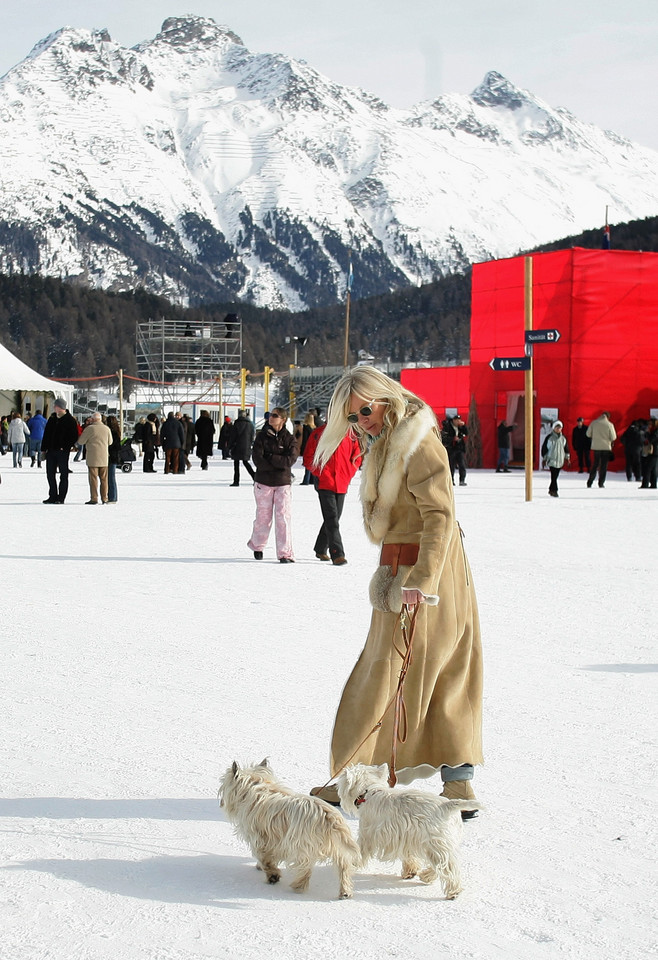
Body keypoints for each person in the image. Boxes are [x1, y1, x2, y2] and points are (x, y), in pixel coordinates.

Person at [310, 366, 483, 808]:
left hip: (428, 570)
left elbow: (439, 516)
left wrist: (424, 579)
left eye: (365, 410)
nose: (362, 420)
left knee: (430, 667)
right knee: (401, 667)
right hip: (403, 569)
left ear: (385, 398)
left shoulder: (417, 440)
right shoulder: (387, 441)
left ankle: (452, 782)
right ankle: (359, 775)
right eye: (353, 417)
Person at [303, 423, 362, 565]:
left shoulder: (350, 434)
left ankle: (320, 547)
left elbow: (357, 456)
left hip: (341, 482)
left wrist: (348, 473)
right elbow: (308, 457)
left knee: (334, 518)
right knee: (332, 519)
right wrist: (320, 473)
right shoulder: (318, 433)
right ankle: (337, 553)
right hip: (325, 482)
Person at [247, 407, 299, 562]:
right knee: (263, 517)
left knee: (283, 517)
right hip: (264, 482)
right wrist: (276, 462)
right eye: (270, 415)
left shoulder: (289, 439)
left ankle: (285, 553)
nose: (271, 417)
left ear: (282, 419)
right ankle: (257, 545)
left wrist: (272, 457)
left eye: (275, 416)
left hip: (283, 482)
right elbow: (258, 459)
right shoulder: (261, 437)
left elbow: (290, 460)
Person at [41, 398, 79, 504]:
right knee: (50, 474)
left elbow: (74, 436)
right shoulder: (52, 418)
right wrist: (44, 449)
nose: (54, 407)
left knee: (63, 474)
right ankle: (52, 495)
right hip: (51, 450)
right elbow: (47, 434)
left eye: (55, 405)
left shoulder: (70, 420)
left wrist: (66, 446)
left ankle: (61, 497)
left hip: (62, 451)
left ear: (60, 407)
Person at [77, 412, 113, 504]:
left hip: (92, 457)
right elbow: (110, 442)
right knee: (104, 479)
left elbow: (81, 441)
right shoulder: (106, 429)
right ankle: (105, 498)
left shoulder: (89, 429)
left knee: (93, 479)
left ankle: (94, 498)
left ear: (92, 420)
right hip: (104, 457)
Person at [586, 411, 617, 488]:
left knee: (595, 465)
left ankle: (590, 482)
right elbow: (613, 437)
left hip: (596, 447)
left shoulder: (594, 423)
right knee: (603, 466)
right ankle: (601, 483)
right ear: (608, 417)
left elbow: (588, 434)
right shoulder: (610, 425)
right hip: (606, 447)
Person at [541, 420, 570, 497]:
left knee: (555, 476)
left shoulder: (563, 438)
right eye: (557, 427)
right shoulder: (549, 438)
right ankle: (554, 491)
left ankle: (551, 489)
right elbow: (545, 448)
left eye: (560, 428)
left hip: (560, 460)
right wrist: (544, 458)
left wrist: (567, 458)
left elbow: (566, 448)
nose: (558, 429)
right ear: (553, 428)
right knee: (553, 476)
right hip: (552, 459)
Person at [229, 409, 256, 486]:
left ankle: (236, 481)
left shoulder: (236, 424)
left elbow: (233, 436)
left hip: (237, 446)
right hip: (246, 446)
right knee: (246, 462)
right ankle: (254, 477)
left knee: (236, 464)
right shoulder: (250, 425)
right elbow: (252, 436)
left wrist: (230, 446)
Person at [441, 414, 468, 486]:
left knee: (462, 464)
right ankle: (451, 480)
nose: (458, 421)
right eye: (456, 420)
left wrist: (463, 426)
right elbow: (444, 437)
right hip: (451, 448)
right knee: (451, 465)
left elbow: (466, 433)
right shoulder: (447, 427)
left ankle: (462, 480)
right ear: (453, 420)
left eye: (459, 420)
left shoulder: (460, 427)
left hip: (459, 448)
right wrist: (452, 438)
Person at [106, 415, 122, 502]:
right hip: (114, 456)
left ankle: (112, 496)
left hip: (111, 456)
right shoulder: (117, 431)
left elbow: (113, 445)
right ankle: (112, 496)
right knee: (111, 477)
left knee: (110, 477)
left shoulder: (112, 433)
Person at [640, 418, 658, 489]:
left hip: (654, 452)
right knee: (653, 469)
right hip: (654, 452)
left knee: (647, 468)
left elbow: (652, 439)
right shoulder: (654, 431)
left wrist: (647, 433)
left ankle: (645, 484)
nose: (649, 425)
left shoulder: (655, 431)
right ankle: (653, 484)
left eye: (650, 424)